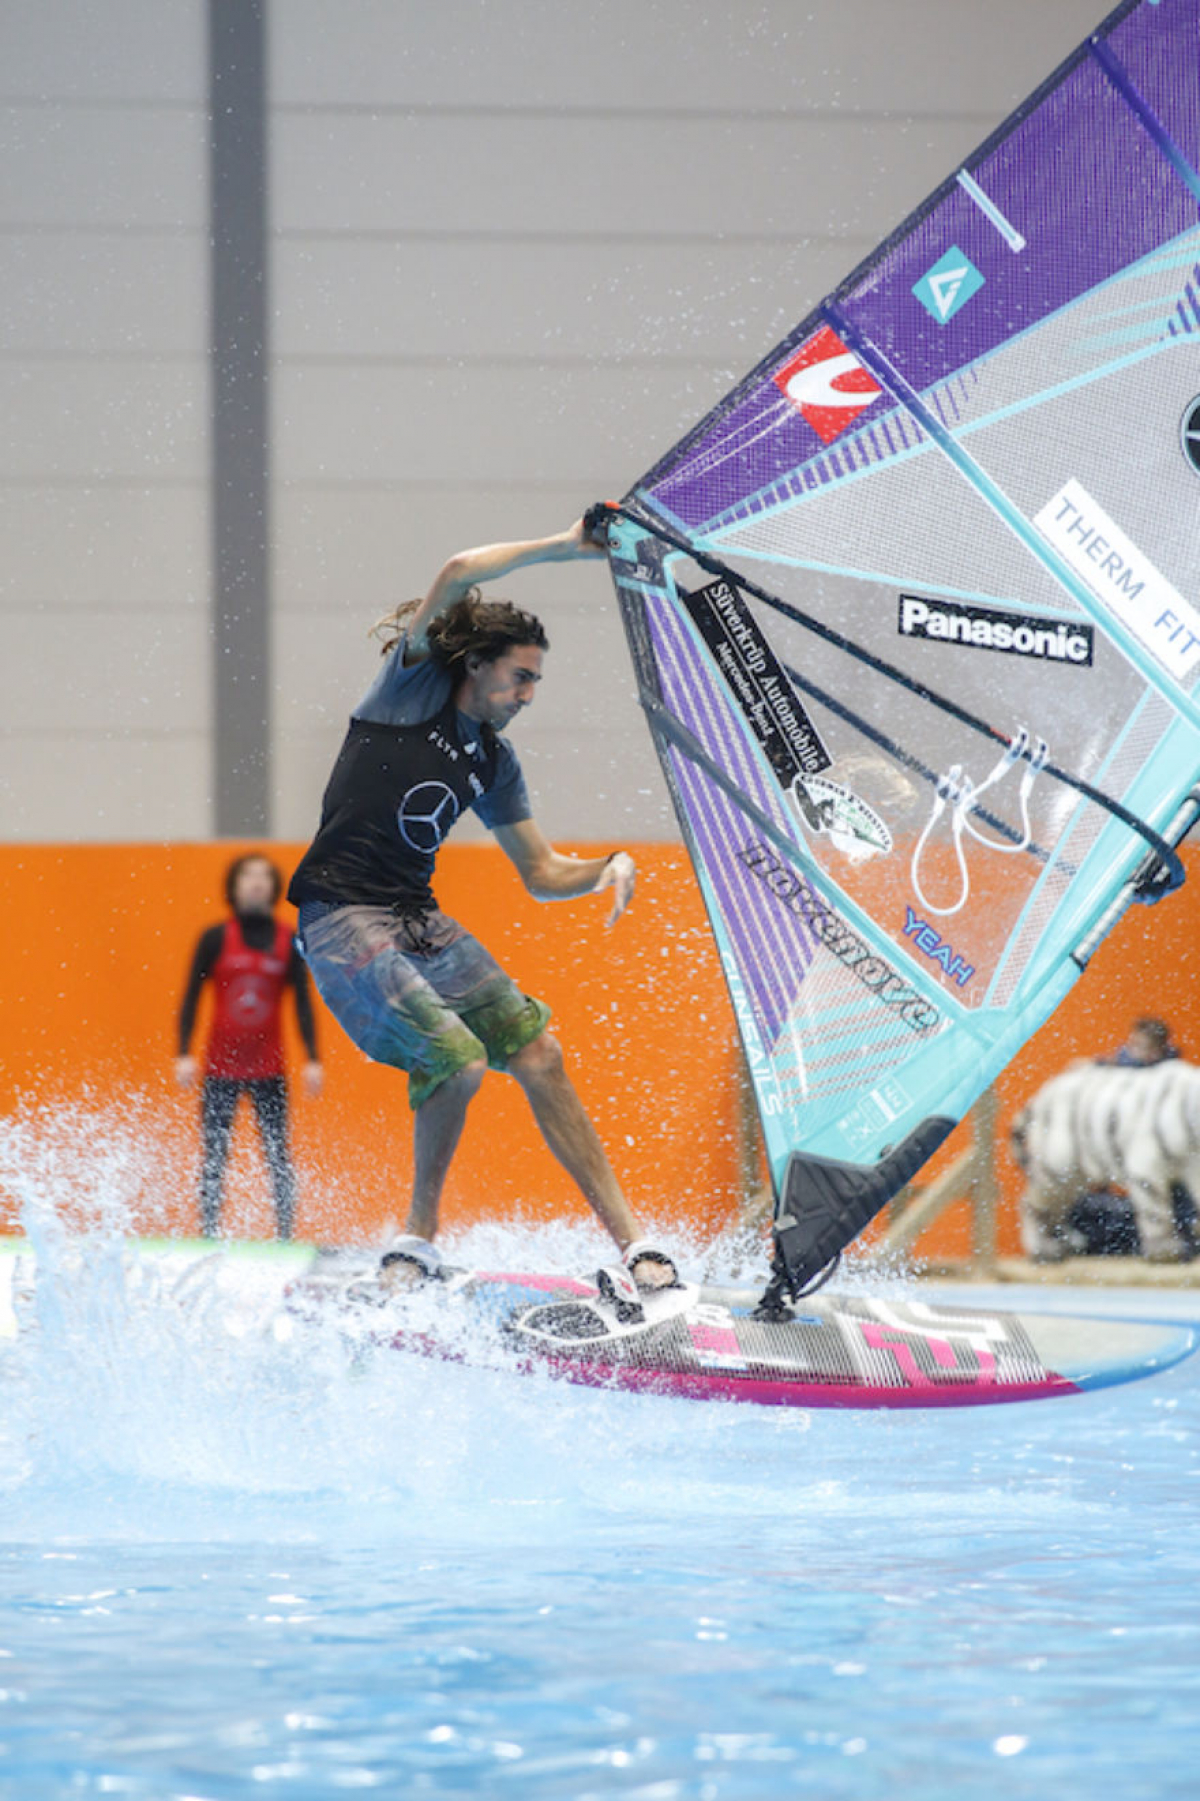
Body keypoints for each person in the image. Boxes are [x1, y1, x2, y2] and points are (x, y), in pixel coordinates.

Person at [286, 518, 677, 1289]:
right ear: (475, 667)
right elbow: (461, 566)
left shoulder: (494, 761)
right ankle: (416, 1241)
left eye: (535, 681)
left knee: (540, 1052)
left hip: (416, 916)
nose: (529, 695)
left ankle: (636, 1246)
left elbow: (539, 871)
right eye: (520, 677)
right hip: (340, 916)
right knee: (458, 1059)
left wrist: (606, 866)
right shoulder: (412, 690)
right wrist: (569, 545)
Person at [176, 852, 323, 1238]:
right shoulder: (214, 938)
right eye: (247, 876)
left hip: (269, 1069)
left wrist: (313, 1059)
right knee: (214, 1157)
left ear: (274, 887)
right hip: (218, 1069)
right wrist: (183, 1053)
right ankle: (209, 1233)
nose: (256, 883)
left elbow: (304, 1001)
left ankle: (285, 1235)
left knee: (278, 1155)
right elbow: (191, 996)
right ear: (234, 886)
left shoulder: (288, 940)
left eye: (263, 877)